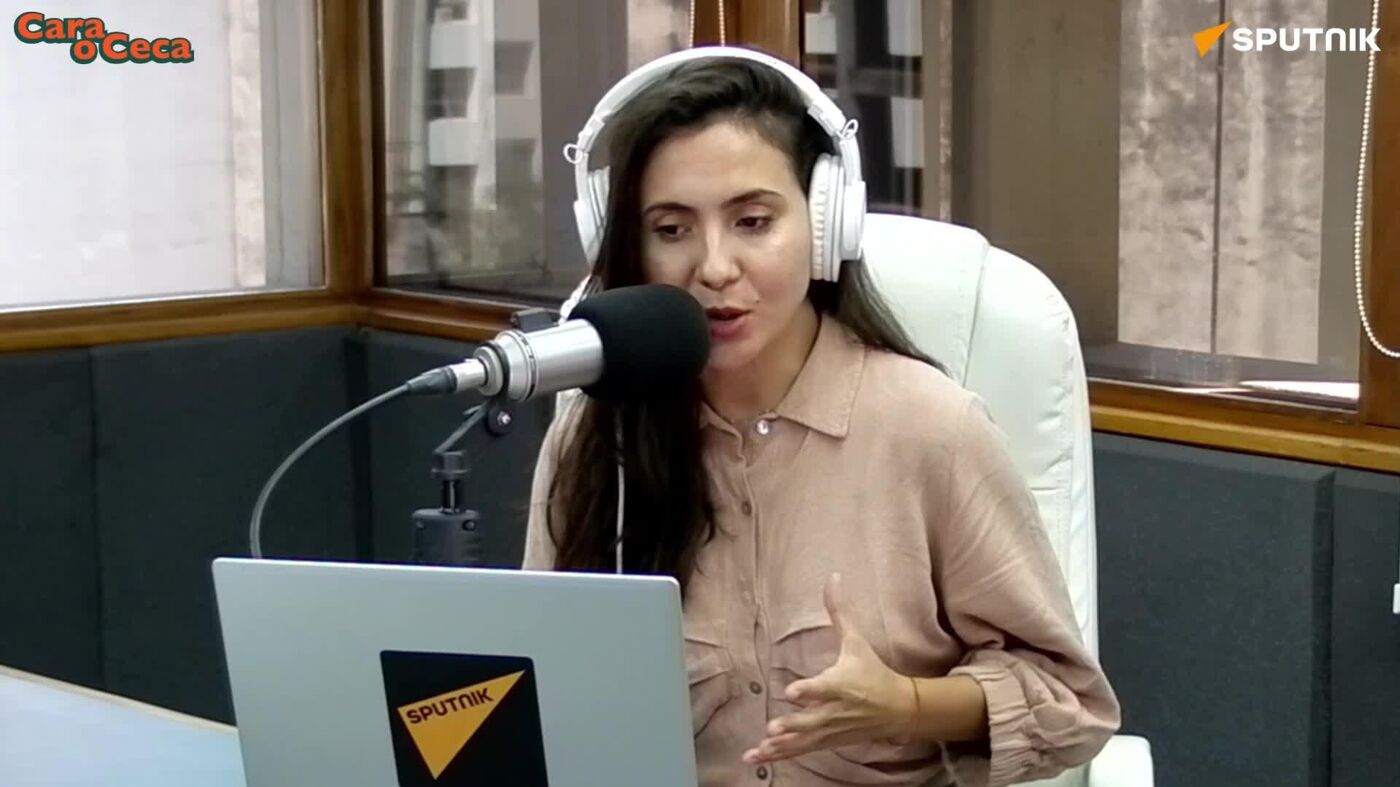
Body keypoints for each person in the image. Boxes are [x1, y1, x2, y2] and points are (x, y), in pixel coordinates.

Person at [524, 46, 1120, 787]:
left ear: (825, 221)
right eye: (672, 230)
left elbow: (1069, 702)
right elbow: (546, 684)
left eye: (752, 221)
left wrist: (906, 706)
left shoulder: (931, 429)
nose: (714, 268)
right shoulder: (598, 434)